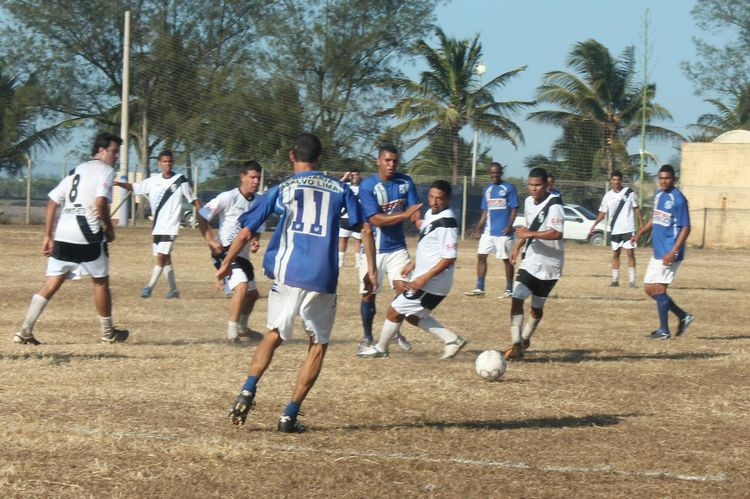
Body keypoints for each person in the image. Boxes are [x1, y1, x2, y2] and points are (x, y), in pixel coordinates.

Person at [220, 133, 377, 433]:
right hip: (322, 276)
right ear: (320, 158)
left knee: (274, 334)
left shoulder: (282, 189)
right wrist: (371, 272)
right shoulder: (340, 188)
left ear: (292, 155)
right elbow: (366, 229)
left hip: (288, 273)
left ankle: (248, 389)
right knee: (317, 345)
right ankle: (289, 415)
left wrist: (226, 264)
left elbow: (245, 232)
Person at [13, 132, 129, 345]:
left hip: (64, 232)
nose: (116, 157)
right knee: (101, 283)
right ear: (101, 151)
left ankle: (24, 331)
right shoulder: (106, 171)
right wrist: (108, 229)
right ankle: (107, 333)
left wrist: (48, 235)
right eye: (114, 151)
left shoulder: (76, 171)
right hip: (88, 234)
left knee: (52, 283)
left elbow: (51, 202)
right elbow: (101, 203)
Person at [358, 180, 466, 359]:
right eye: (431, 197)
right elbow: (431, 248)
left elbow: (449, 258)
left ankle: (381, 348)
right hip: (428, 281)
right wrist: (413, 264)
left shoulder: (448, 223)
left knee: (395, 309)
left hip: (432, 283)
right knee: (412, 316)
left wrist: (423, 278)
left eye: (439, 198)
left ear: (448, 199)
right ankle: (452, 339)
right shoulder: (432, 213)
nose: (433, 202)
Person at [356, 144, 422, 352]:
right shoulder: (368, 186)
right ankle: (367, 337)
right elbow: (376, 219)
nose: (391, 164)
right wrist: (404, 215)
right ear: (378, 161)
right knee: (369, 292)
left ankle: (393, 331)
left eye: (394, 160)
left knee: (405, 290)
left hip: (396, 248)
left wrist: (422, 224)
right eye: (387, 160)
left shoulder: (405, 182)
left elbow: (414, 211)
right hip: (372, 249)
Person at [115, 150, 201, 299]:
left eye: (170, 161)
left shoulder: (180, 180)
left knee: (161, 257)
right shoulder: (153, 180)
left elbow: (193, 199)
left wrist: (205, 214)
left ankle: (148, 287)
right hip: (157, 227)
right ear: (159, 163)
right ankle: (174, 290)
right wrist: (118, 183)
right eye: (164, 162)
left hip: (171, 226)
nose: (167, 164)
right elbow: (135, 187)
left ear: (172, 163)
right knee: (165, 258)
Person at [197, 161, 264, 344]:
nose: (255, 181)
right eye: (252, 177)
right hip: (224, 252)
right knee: (241, 287)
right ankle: (232, 335)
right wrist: (211, 240)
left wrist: (255, 240)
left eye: (258, 177)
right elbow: (201, 214)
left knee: (253, 295)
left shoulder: (259, 202)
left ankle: (243, 328)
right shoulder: (228, 197)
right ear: (243, 177)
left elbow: (256, 228)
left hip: (242, 255)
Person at [504, 167, 564, 360]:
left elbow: (556, 232)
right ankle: (515, 344)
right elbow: (528, 228)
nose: (534, 189)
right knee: (517, 297)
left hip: (550, 265)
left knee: (536, 308)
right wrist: (517, 247)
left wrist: (530, 234)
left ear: (547, 184)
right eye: (531, 184)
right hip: (531, 260)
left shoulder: (555, 205)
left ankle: (525, 338)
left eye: (538, 185)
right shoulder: (529, 202)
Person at [630, 165, 694, 340]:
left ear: (674, 179)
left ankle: (664, 331)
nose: (663, 181)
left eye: (667, 178)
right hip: (658, 251)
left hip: (670, 251)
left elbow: (686, 228)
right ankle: (683, 316)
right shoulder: (659, 195)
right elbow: (655, 217)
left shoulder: (678, 199)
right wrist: (640, 232)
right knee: (650, 289)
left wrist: (673, 251)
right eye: (661, 178)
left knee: (659, 288)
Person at [465, 162, 519, 298]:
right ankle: (479, 288)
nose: (495, 175)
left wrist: (509, 225)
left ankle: (509, 290)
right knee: (481, 256)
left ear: (501, 173)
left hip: (503, 232)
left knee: (506, 260)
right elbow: (485, 211)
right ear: (490, 173)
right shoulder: (487, 189)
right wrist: (479, 227)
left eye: (497, 173)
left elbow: (514, 208)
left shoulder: (508, 187)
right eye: (492, 173)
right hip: (489, 231)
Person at [589, 170, 644, 288]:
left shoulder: (629, 193)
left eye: (618, 180)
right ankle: (615, 280)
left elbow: (636, 208)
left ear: (621, 180)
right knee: (615, 254)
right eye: (614, 180)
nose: (616, 182)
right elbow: (602, 212)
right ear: (611, 181)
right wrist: (594, 224)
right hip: (615, 230)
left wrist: (641, 223)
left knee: (630, 253)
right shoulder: (608, 195)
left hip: (628, 228)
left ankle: (632, 281)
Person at [338, 169, 362, 268]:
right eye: (352, 175)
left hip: (358, 217)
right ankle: (341, 262)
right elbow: (336, 186)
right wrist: (345, 176)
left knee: (358, 240)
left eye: (357, 174)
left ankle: (358, 262)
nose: (355, 176)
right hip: (345, 217)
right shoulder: (346, 185)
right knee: (343, 239)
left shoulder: (363, 187)